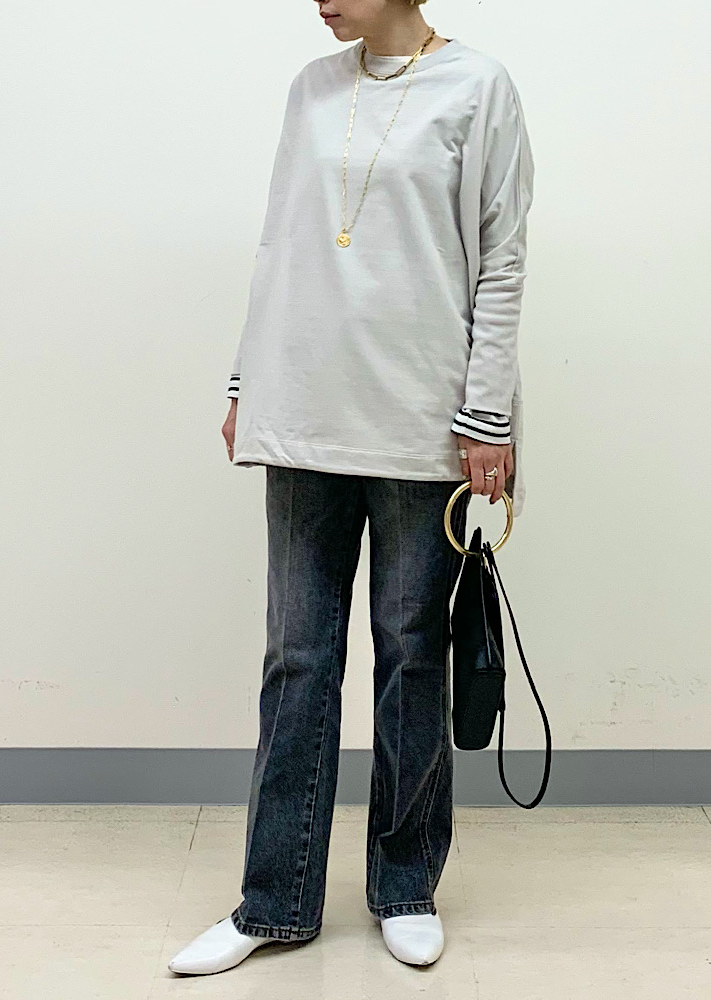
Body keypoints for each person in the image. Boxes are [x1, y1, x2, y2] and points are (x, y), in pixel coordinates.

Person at [169, 0, 534, 977]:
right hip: (303, 410)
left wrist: (487, 414)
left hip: (423, 422)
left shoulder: (478, 87)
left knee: (411, 655)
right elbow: (279, 243)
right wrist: (246, 381)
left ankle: (405, 885)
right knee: (297, 657)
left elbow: (502, 259)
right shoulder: (312, 89)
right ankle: (274, 899)